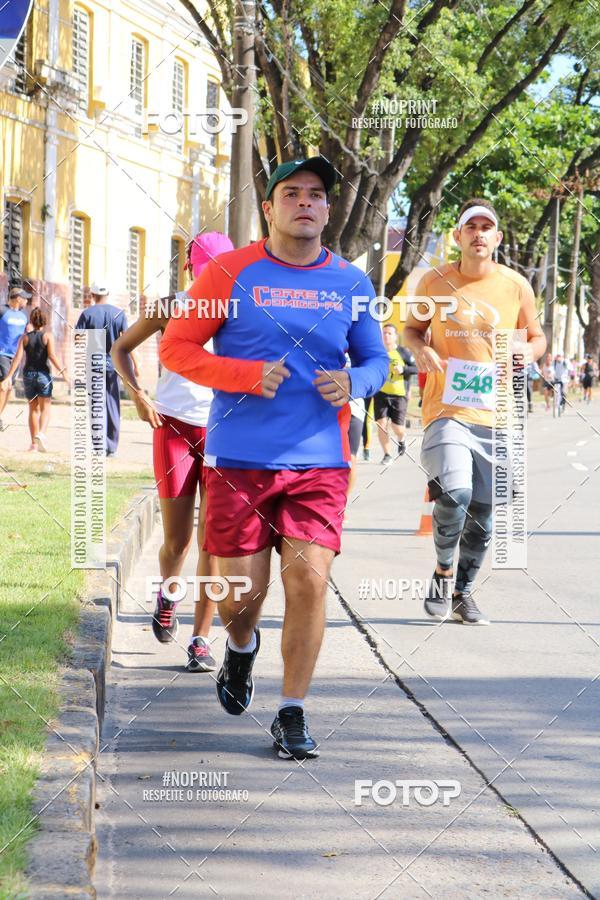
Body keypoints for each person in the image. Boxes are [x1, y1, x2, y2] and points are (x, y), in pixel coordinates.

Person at [160, 157, 388, 760]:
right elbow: (177, 348)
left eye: (317, 194)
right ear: (270, 207)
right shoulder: (230, 273)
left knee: (309, 582)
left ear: (329, 210)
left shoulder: (351, 283)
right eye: (292, 193)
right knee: (241, 599)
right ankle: (239, 649)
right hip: (239, 459)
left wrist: (356, 382)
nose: (306, 203)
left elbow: (376, 361)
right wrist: (241, 375)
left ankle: (292, 711)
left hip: (320, 461)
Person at [404, 198, 546, 626]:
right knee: (456, 492)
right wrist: (423, 348)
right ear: (458, 236)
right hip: (447, 410)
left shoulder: (516, 284)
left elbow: (538, 337)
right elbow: (412, 330)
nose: (479, 233)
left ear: (497, 238)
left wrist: (526, 349)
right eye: (471, 227)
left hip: (498, 414)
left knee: (483, 511)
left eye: (487, 227)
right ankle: (443, 571)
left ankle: (464, 592)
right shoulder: (434, 281)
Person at [112, 233, 234, 673]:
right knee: (177, 540)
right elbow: (120, 348)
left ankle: (201, 638)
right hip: (174, 428)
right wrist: (139, 395)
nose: (213, 282)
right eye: (206, 272)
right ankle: (168, 591)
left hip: (225, 434)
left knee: (214, 540)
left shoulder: (243, 310)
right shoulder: (168, 308)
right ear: (189, 270)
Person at [0, 307, 69, 450]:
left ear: (31, 320)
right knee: (46, 408)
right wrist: (63, 372)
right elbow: (51, 356)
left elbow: (17, 358)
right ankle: (41, 434)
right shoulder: (47, 336)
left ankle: (33, 444)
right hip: (43, 375)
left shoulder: (24, 337)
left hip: (28, 376)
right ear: (45, 321)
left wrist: (8, 376)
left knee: (33, 409)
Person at [75, 283, 130, 456]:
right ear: (108, 293)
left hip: (94, 364)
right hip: (114, 364)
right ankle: (112, 447)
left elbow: (77, 339)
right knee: (112, 403)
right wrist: (134, 364)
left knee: (97, 405)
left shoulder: (86, 314)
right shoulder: (119, 314)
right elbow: (127, 340)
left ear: (92, 294)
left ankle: (98, 446)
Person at [374, 323, 410, 463]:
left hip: (399, 394)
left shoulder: (403, 352)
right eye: (384, 333)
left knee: (397, 427)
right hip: (380, 393)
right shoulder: (378, 352)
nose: (386, 335)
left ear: (395, 336)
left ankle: (402, 439)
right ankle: (387, 454)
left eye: (390, 333)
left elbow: (416, 368)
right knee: (381, 424)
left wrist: (404, 369)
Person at [0, 287, 30, 430]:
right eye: (24, 298)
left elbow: (28, 332)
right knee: (4, 386)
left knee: (9, 387)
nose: (26, 300)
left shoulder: (24, 315)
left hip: (16, 357)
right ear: (18, 298)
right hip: (2, 354)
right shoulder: (2, 310)